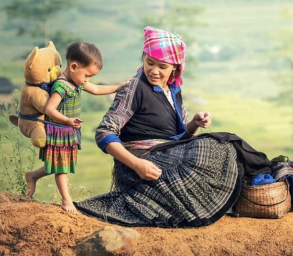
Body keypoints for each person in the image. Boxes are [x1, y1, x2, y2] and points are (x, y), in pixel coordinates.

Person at [75, 27, 275, 227]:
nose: (154, 70)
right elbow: (104, 133)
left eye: (162, 66)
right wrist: (137, 165)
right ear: (143, 58)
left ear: (175, 68)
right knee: (220, 143)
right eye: (149, 63)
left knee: (225, 144)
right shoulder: (133, 89)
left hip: (168, 154)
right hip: (142, 163)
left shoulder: (173, 90)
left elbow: (179, 137)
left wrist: (194, 123)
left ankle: (266, 181)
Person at [25, 42, 130, 214]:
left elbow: (96, 89)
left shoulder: (77, 82)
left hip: (68, 130)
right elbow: (50, 109)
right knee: (62, 167)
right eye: (87, 75)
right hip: (59, 130)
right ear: (73, 66)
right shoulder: (61, 86)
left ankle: (33, 175)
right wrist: (66, 120)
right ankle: (66, 201)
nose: (88, 80)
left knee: (61, 163)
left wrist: (118, 87)